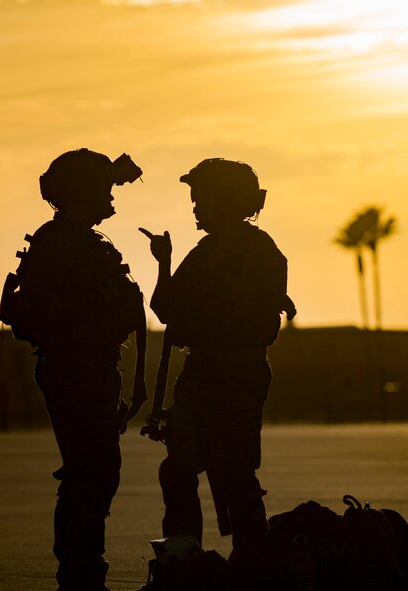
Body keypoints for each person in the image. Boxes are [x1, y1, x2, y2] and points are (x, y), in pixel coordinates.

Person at [0, 148, 147, 591]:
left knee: (96, 472)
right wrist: (94, 306)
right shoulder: (58, 242)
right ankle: (81, 575)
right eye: (102, 187)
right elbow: (38, 311)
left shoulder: (85, 242)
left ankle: (83, 571)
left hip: (94, 367)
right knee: (90, 474)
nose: (111, 194)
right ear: (83, 192)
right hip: (75, 368)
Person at [138, 158, 295, 569]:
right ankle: (186, 562)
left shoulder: (256, 252)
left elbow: (177, 310)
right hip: (206, 373)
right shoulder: (211, 251)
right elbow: (167, 309)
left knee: (234, 475)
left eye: (201, 198)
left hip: (234, 375)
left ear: (224, 201)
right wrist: (164, 262)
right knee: (182, 471)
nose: (194, 208)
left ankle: (250, 565)